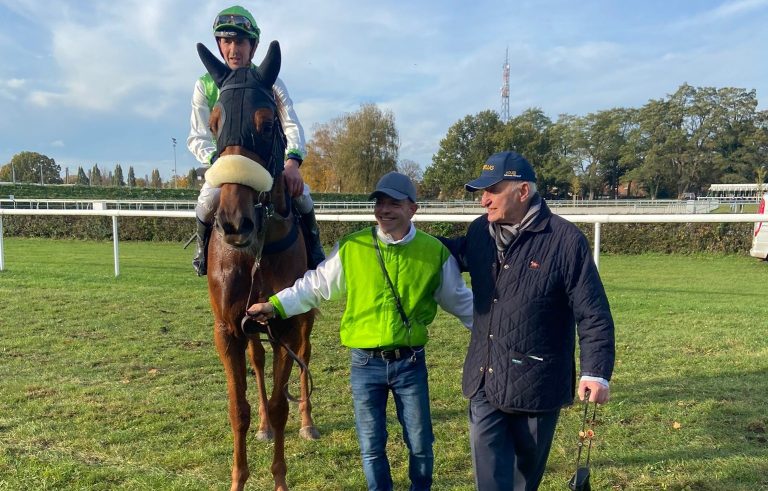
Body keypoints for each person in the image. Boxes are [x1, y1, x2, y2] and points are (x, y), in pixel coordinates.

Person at [246, 172, 474, 491]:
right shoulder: (353, 247)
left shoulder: (434, 252)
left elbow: (463, 303)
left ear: (413, 209)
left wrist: (501, 333)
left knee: (421, 444)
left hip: (410, 365)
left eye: (394, 203)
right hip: (365, 366)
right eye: (379, 202)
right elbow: (315, 286)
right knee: (371, 448)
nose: (384, 209)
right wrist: (275, 306)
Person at [439, 151, 615, 491]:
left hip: (538, 385)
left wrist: (596, 371)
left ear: (522, 192)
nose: (483, 201)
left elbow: (593, 312)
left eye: (492, 190)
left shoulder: (565, 241)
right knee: (490, 484)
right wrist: (403, 233)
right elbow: (447, 253)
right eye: (481, 192)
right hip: (484, 381)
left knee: (523, 483)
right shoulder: (479, 232)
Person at [187, 5, 324, 275]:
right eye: (226, 41)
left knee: (303, 197)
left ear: (253, 45)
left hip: (266, 167)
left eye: (240, 41)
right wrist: (218, 162)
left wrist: (292, 163)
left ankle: (314, 248)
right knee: (205, 203)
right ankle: (203, 252)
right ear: (219, 44)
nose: (233, 49)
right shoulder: (204, 85)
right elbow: (197, 135)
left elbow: (291, 123)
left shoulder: (271, 82)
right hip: (225, 169)